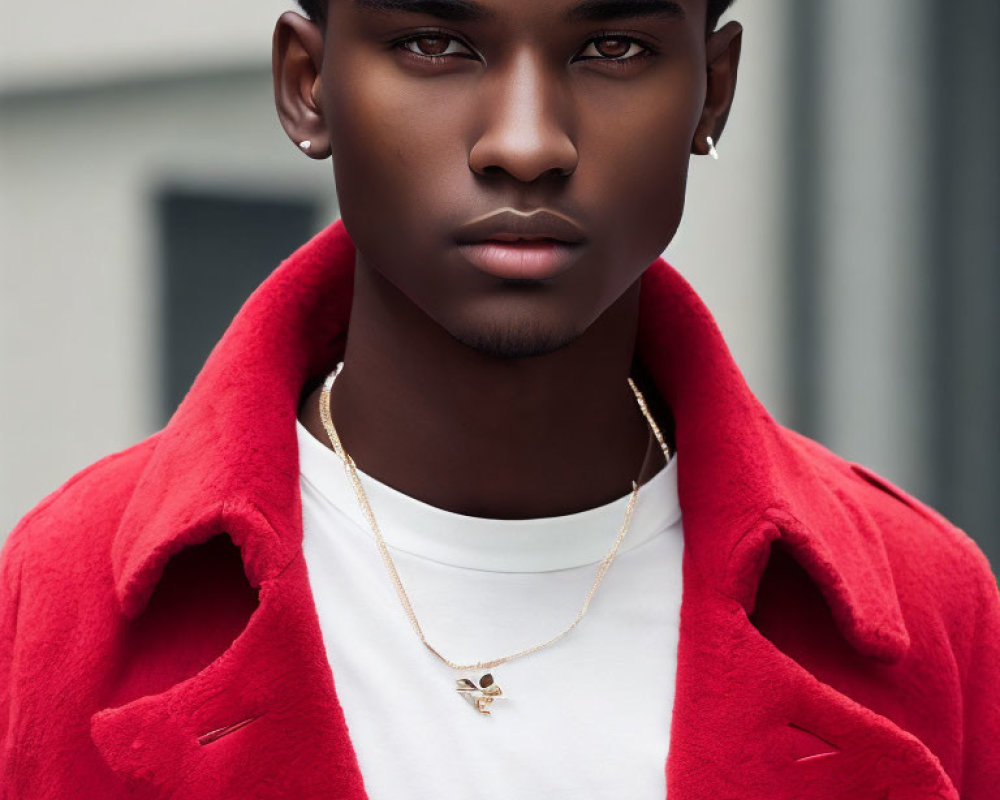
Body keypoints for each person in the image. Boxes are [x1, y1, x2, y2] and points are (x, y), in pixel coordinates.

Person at [1, 0, 997, 797]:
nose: (526, 143)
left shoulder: (932, 609)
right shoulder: (59, 602)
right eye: (435, 43)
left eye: (611, 46)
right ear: (309, 85)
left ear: (713, 91)